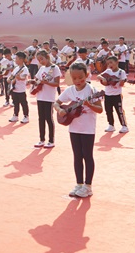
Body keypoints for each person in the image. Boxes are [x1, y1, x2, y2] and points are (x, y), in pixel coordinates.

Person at [56, 62, 102, 197]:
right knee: (77, 156)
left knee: (87, 156)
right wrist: (60, 110)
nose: (77, 81)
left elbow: (100, 109)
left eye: (80, 77)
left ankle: (88, 186)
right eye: (74, 78)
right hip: (74, 128)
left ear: (86, 75)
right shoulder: (69, 90)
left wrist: (89, 105)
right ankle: (79, 184)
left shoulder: (92, 90)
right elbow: (56, 103)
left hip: (88, 129)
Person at [31, 49, 61, 148]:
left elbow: (57, 83)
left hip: (49, 97)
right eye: (39, 60)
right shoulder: (41, 68)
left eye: (42, 59)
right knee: (41, 118)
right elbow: (37, 79)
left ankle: (51, 140)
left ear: (47, 57)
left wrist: (46, 82)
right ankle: (41, 139)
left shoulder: (54, 68)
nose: (40, 61)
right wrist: (32, 82)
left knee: (48, 118)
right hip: (40, 96)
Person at [99, 56, 128, 133]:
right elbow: (99, 76)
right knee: (108, 111)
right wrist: (103, 79)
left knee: (119, 111)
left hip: (117, 95)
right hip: (107, 95)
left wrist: (122, 82)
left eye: (111, 62)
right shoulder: (108, 71)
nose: (110, 65)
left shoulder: (121, 72)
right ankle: (111, 125)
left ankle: (124, 126)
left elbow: (121, 84)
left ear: (117, 62)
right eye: (108, 63)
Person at [8, 51, 30, 124]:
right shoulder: (16, 68)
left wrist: (19, 78)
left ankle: (26, 116)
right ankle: (15, 115)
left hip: (21, 90)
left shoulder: (25, 69)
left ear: (21, 59)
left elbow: (24, 77)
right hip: (14, 88)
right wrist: (9, 79)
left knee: (23, 103)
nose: (15, 60)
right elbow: (12, 75)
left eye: (16, 58)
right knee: (15, 103)